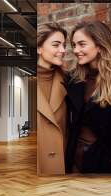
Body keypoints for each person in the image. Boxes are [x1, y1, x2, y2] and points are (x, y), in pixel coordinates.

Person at [65, 21, 111, 173]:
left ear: (99, 46)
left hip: (102, 163)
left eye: (81, 44)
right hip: (72, 158)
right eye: (74, 45)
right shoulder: (73, 79)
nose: (76, 50)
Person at [37, 23, 68, 175]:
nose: (63, 50)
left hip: (61, 166)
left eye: (64, 45)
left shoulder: (68, 82)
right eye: (56, 45)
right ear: (39, 48)